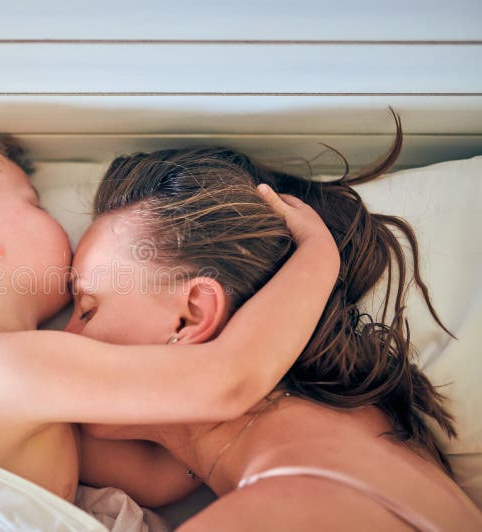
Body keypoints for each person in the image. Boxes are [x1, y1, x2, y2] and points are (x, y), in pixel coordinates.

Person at [0, 132, 336, 506]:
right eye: (33, 204)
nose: (59, 224)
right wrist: (318, 256)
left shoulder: (14, 391)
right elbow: (227, 381)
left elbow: (154, 480)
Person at [70, 120, 482, 530]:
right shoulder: (363, 431)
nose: (61, 338)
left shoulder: (284, 508)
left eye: (87, 309)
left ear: (192, 314)